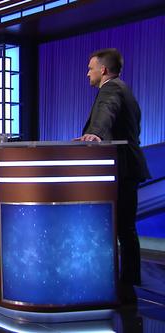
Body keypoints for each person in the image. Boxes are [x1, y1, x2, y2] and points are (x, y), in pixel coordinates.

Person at [75, 48, 151, 304]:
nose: (88, 73)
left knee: (123, 228)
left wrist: (95, 132)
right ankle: (127, 282)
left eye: (90, 68)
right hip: (125, 167)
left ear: (103, 70)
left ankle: (126, 286)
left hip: (122, 167)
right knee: (123, 228)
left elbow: (106, 110)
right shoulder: (122, 88)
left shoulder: (111, 89)